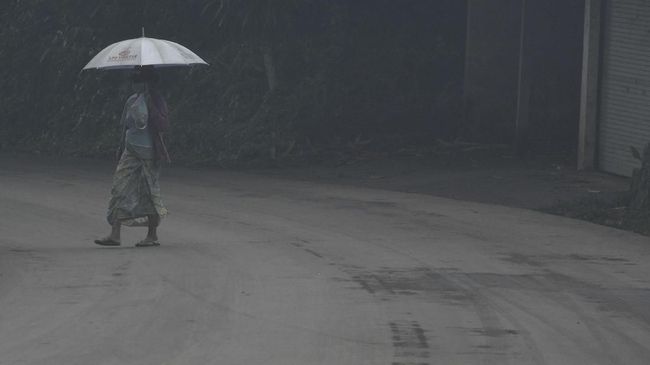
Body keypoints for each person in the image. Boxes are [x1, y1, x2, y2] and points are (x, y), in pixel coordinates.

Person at [95, 66, 170, 247]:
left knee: (149, 193)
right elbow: (126, 127)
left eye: (139, 80)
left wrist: (151, 108)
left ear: (148, 82)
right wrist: (120, 147)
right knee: (119, 188)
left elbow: (163, 126)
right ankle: (115, 234)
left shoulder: (157, 101)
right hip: (130, 152)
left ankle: (152, 235)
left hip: (149, 153)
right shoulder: (132, 101)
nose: (135, 84)